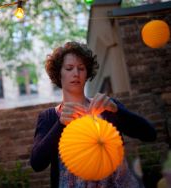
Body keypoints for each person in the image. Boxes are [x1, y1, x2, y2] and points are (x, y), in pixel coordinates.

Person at [30, 41, 156, 188]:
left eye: (81, 68)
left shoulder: (107, 106)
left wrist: (117, 110)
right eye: (69, 68)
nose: (76, 73)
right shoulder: (50, 117)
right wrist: (60, 125)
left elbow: (150, 134)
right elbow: (37, 163)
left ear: (87, 73)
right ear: (59, 74)